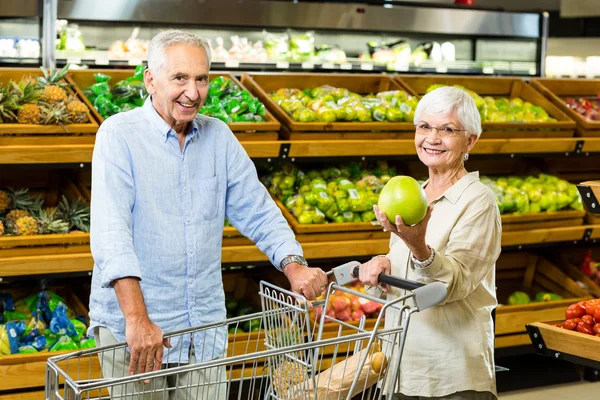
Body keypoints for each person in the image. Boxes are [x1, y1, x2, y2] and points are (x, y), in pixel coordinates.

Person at [88, 29, 327, 398]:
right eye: (180, 78)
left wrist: (293, 265)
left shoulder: (219, 137)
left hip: (202, 328)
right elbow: (111, 234)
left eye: (202, 79)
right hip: (135, 330)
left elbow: (257, 209)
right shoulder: (119, 136)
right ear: (150, 80)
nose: (193, 92)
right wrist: (137, 319)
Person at [358, 86, 502, 400]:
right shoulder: (415, 196)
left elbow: (457, 284)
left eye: (447, 129)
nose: (432, 138)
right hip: (402, 363)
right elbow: (408, 275)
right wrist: (385, 263)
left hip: (451, 371)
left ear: (470, 140)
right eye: (424, 126)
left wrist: (417, 247)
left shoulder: (478, 201)